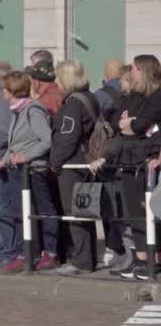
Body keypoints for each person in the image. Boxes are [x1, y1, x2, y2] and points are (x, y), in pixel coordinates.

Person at [0, 72, 53, 273]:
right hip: (18, 171)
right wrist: (4, 160)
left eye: (4, 89)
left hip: (34, 171)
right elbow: (15, 144)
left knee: (42, 210)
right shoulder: (16, 112)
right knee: (20, 212)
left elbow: (46, 140)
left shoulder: (32, 110)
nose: (2, 93)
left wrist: (27, 156)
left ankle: (49, 252)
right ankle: (24, 253)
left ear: (13, 90)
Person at [107, 55, 161, 279]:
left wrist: (132, 123)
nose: (132, 73)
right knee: (134, 213)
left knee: (150, 211)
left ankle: (153, 258)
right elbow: (116, 121)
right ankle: (140, 258)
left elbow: (139, 124)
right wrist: (128, 123)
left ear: (144, 70)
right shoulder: (135, 95)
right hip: (129, 159)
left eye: (136, 69)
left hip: (146, 159)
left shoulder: (157, 96)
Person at [50, 59, 105, 275]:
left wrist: (55, 163)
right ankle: (87, 258)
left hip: (73, 164)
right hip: (85, 161)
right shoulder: (89, 97)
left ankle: (81, 260)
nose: (55, 81)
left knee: (74, 212)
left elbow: (67, 138)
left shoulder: (73, 103)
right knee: (85, 210)